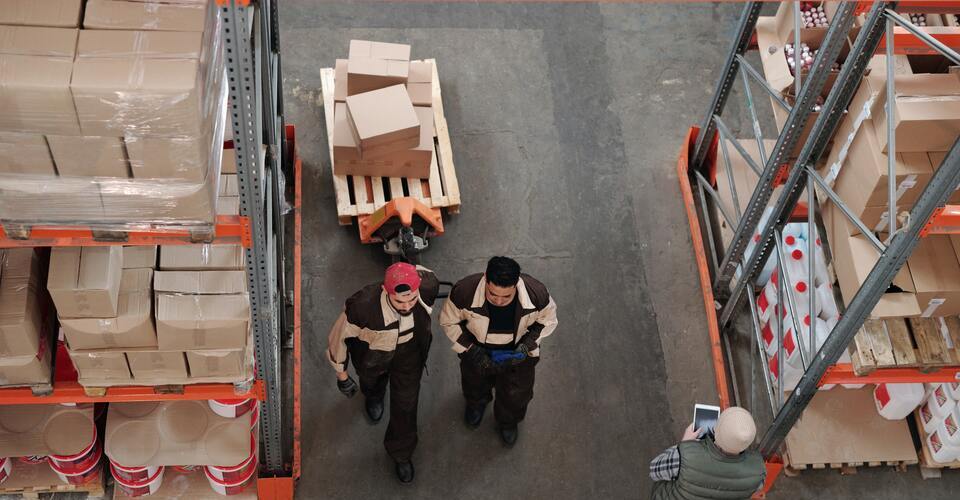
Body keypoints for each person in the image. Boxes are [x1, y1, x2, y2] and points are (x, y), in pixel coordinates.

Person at [327, 262, 439, 484]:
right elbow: (338, 337)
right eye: (399, 301)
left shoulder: (428, 286)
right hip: (373, 359)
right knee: (371, 384)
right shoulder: (361, 308)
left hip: (409, 357)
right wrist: (342, 375)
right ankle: (374, 395)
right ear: (385, 291)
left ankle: (401, 453)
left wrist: (408, 259)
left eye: (412, 299)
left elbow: (425, 271)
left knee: (406, 406)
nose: (407, 306)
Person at [440, 256, 558, 446]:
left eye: (506, 296)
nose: (499, 301)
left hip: (518, 355)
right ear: (486, 279)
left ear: (517, 284)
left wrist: (527, 345)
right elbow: (448, 322)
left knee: (517, 392)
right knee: (475, 383)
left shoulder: (537, 295)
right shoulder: (464, 292)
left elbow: (548, 321)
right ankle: (476, 403)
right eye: (493, 294)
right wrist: (471, 350)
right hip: (478, 350)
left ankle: (508, 421)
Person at [649, 407, 766, 499]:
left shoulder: (685, 457)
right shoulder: (758, 473)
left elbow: (654, 470)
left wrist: (684, 444)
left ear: (715, 430)